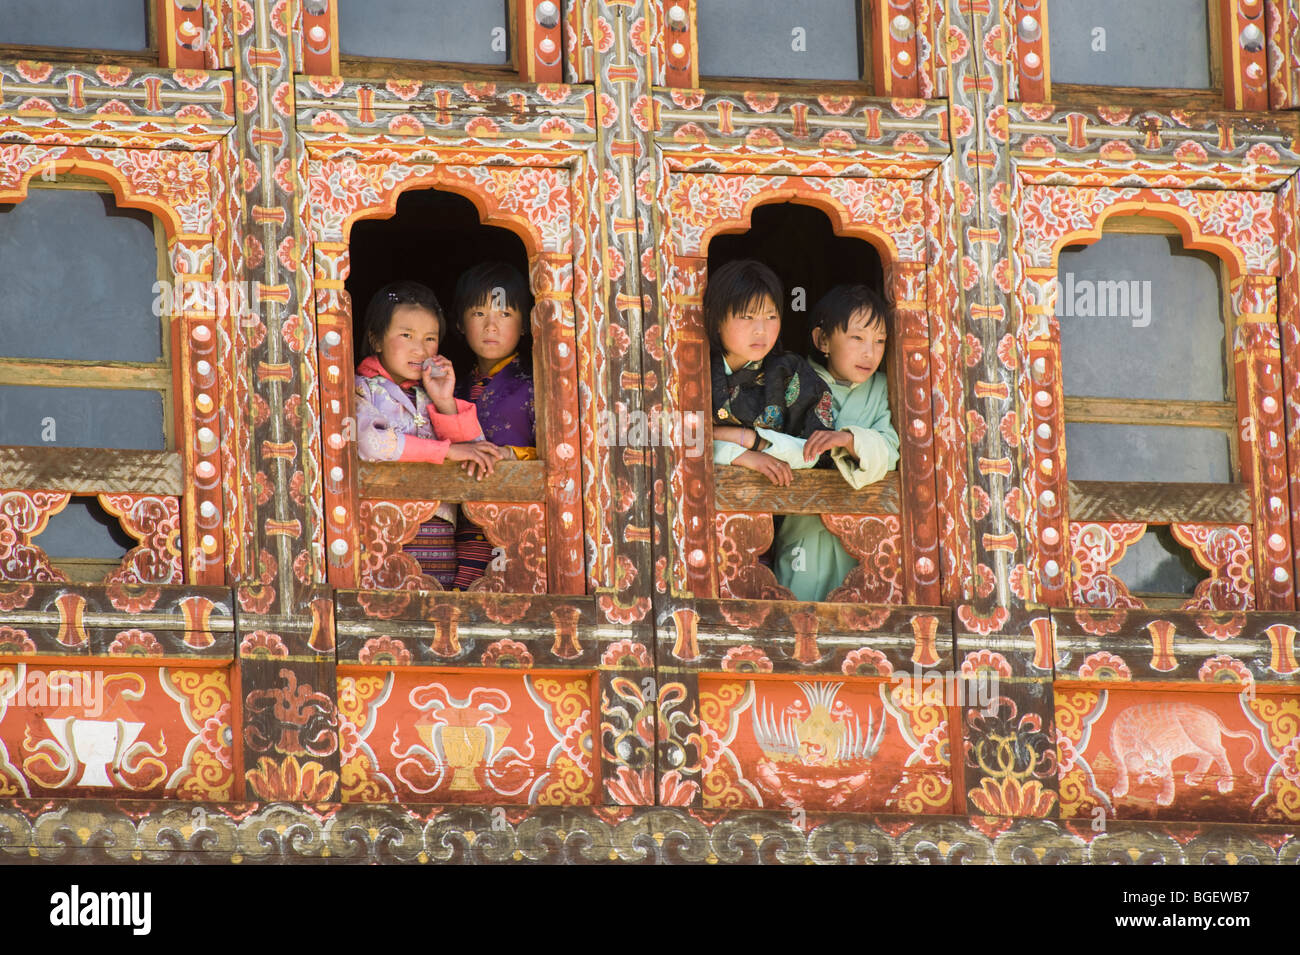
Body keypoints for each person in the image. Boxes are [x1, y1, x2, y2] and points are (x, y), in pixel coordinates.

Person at [354, 280, 505, 587]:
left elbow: (475, 450)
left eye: (429, 338)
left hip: (439, 532)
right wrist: (446, 451)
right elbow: (373, 442)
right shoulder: (361, 389)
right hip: (382, 529)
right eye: (406, 335)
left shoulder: (429, 394)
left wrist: (445, 400)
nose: (419, 348)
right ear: (376, 339)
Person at [773, 284, 900, 602]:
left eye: (880, 341)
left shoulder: (884, 388)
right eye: (857, 338)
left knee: (857, 612)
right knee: (796, 610)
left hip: (862, 534)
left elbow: (891, 450)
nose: (870, 352)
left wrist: (848, 439)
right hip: (803, 529)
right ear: (822, 341)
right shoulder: (794, 381)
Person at [707, 259, 834, 487]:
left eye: (771, 316)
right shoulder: (690, 369)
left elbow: (820, 452)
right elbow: (673, 440)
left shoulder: (790, 373)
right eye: (747, 316)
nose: (761, 330)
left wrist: (750, 440)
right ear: (716, 319)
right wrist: (739, 456)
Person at [450, 262, 536, 589]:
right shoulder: (451, 386)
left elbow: (560, 448)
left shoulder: (536, 383)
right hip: (457, 525)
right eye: (478, 314)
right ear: (459, 322)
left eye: (504, 314)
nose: (491, 326)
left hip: (515, 523)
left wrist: (511, 455)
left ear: (525, 324)